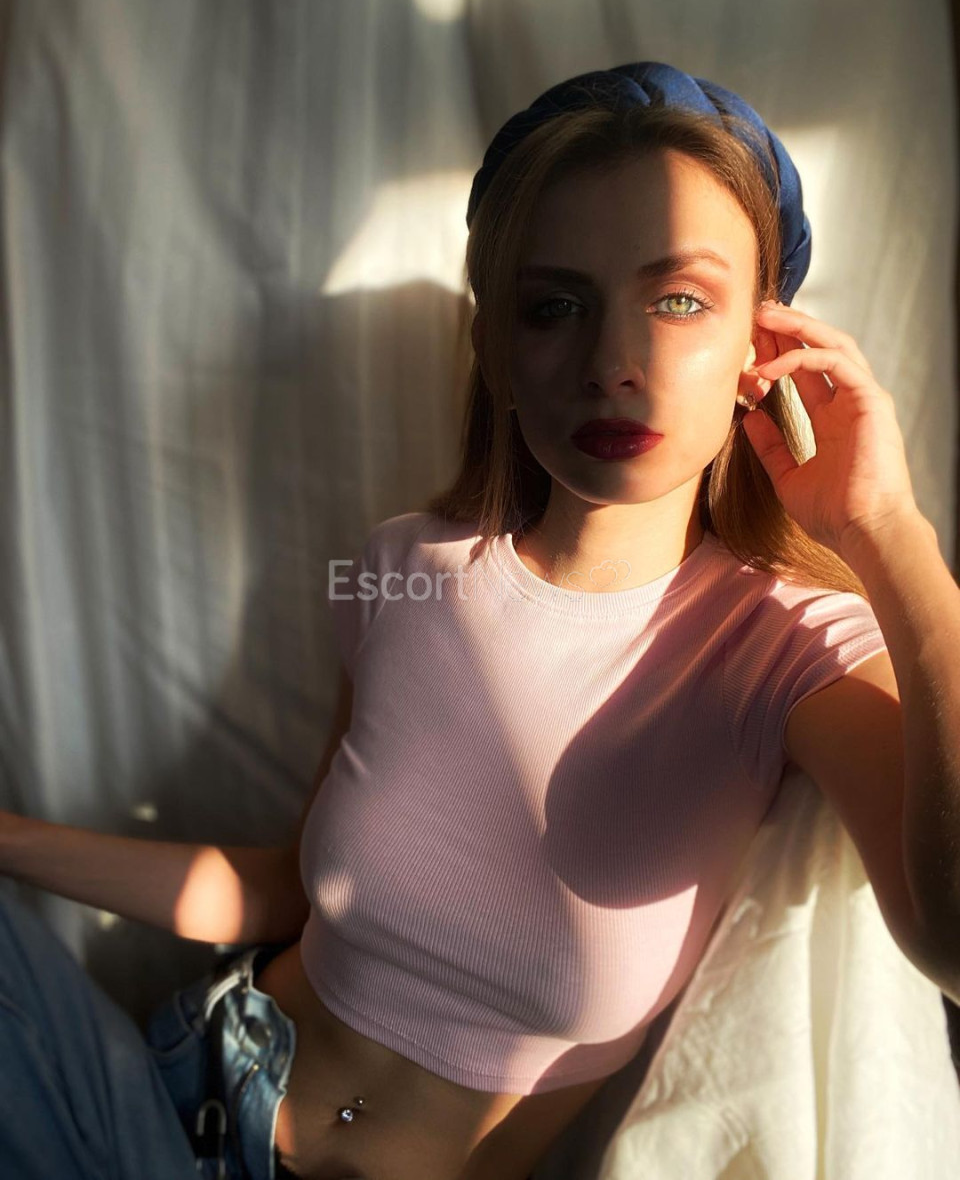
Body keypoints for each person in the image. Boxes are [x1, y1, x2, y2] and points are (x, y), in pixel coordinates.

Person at [1, 59, 957, 1180]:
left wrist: (888, 531)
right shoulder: (407, 569)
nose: (613, 363)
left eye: (678, 299)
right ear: (498, 354)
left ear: (765, 346)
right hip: (174, 1092)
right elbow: (286, 891)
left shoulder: (789, 648)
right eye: (554, 307)